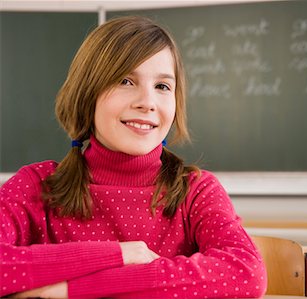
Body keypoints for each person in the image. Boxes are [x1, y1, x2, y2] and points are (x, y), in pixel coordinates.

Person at [0, 16, 266, 299]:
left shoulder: (197, 191)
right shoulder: (36, 185)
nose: (147, 102)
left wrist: (74, 289)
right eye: (126, 80)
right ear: (87, 93)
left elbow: (245, 272)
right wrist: (119, 254)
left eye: (163, 87)